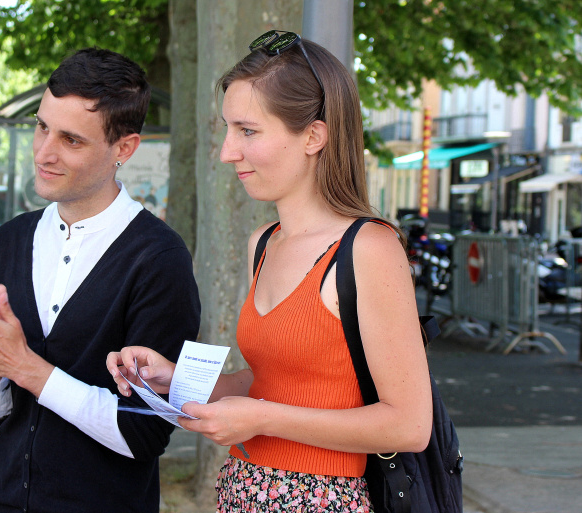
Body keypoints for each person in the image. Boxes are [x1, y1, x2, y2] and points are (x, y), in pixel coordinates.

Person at [107, 30, 433, 512]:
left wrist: (260, 418)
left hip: (324, 499)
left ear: (313, 136)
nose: (226, 151)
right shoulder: (263, 242)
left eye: (248, 130)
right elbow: (273, 381)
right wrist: (172, 380)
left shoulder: (369, 248)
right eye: (227, 129)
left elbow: (409, 425)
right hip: (244, 489)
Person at [0, 47, 200, 513]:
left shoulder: (159, 258)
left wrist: (25, 366)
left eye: (71, 140)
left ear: (124, 148)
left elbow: (144, 432)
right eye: (41, 126)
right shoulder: (8, 241)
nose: (44, 152)